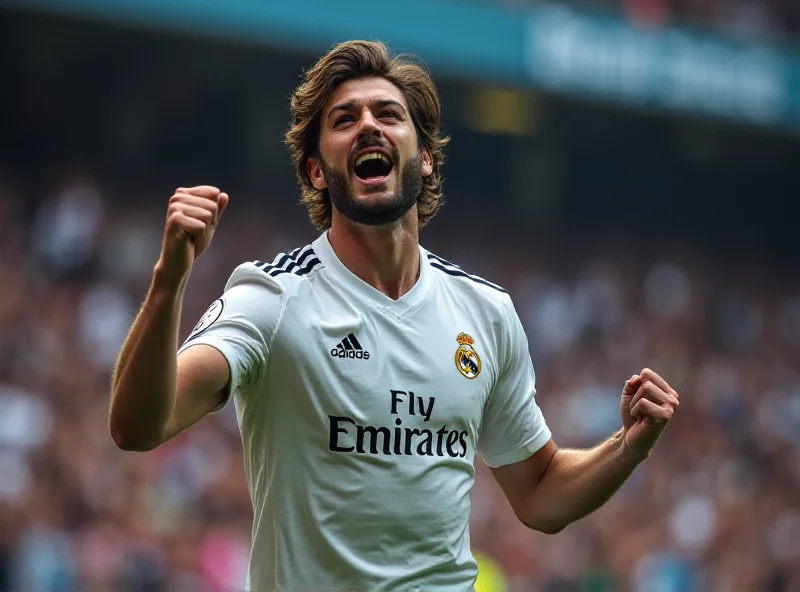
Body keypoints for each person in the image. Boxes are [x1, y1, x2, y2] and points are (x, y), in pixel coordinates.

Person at [108, 40, 680, 591]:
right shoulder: (272, 298)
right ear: (315, 171)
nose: (368, 126)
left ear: (425, 158)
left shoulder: (487, 312)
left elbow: (540, 493)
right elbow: (138, 427)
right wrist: (168, 280)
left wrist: (627, 446)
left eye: (388, 113)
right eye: (343, 120)